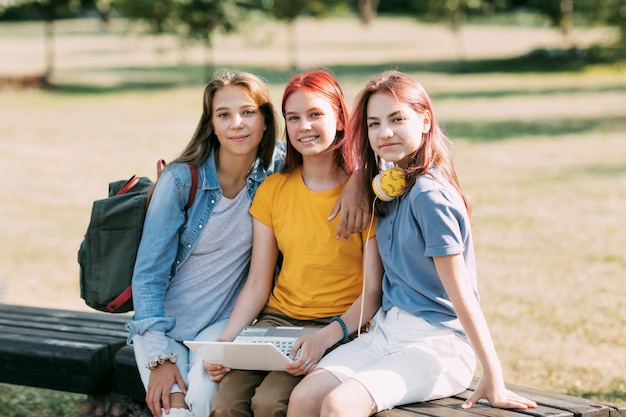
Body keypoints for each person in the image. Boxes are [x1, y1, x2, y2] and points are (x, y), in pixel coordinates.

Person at [287, 70, 539, 417]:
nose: (384, 132)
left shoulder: (429, 196)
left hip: (437, 344)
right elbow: (373, 289)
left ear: (425, 121)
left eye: (397, 119)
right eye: (374, 124)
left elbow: (462, 295)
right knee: (303, 398)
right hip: (387, 333)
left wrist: (492, 374)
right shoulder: (386, 188)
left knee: (338, 404)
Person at [125, 69, 368, 417]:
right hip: (164, 325)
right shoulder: (182, 181)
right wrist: (158, 357)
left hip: (222, 322)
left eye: (248, 112)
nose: (237, 124)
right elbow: (147, 278)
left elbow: (329, 144)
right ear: (211, 124)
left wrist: (360, 179)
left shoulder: (271, 170)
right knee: (175, 409)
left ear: (266, 122)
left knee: (208, 399)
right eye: (224, 114)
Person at [206, 69, 384, 417]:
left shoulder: (364, 195)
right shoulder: (273, 190)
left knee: (270, 403)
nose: (304, 126)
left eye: (316, 114)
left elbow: (373, 293)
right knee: (226, 403)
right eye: (293, 118)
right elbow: (259, 281)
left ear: (341, 119)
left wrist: (329, 335)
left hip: (335, 326)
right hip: (276, 322)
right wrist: (226, 343)